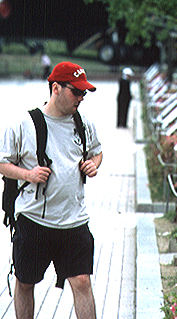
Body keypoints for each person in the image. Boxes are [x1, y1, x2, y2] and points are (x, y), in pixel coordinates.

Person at [0, 61, 103, 319]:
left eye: (84, 93)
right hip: (34, 220)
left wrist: (93, 164)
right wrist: (28, 174)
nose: (81, 98)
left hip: (74, 220)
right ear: (55, 88)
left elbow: (98, 152)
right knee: (25, 283)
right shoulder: (24, 124)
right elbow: (2, 163)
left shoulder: (84, 123)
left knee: (82, 282)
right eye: (76, 91)